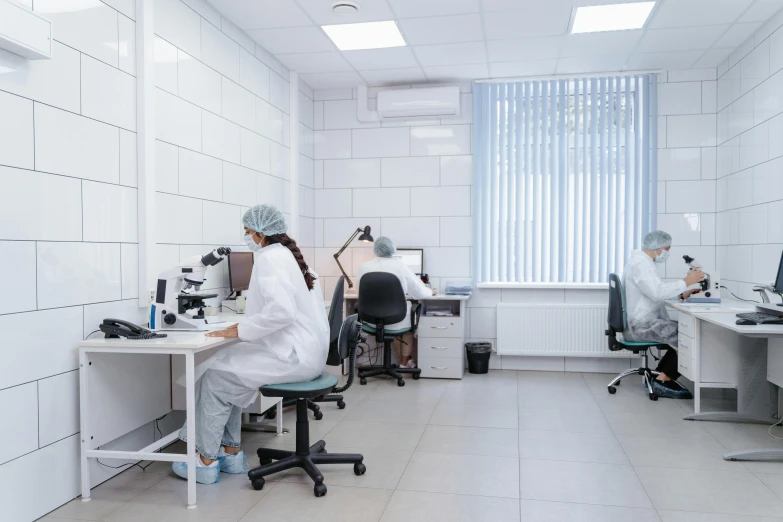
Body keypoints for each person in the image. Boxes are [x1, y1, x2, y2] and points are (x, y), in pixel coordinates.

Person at [172, 204, 329, 484]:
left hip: (293, 357)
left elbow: (282, 312)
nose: (246, 237)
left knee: (216, 377)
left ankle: (206, 461)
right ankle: (230, 453)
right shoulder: (290, 257)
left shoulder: (270, 258)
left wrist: (239, 330)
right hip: (308, 354)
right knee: (226, 368)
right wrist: (241, 332)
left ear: (260, 233)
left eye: (247, 232)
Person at [622, 230, 705, 399]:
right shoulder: (641, 264)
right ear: (656, 247)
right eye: (667, 248)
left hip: (643, 321)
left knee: (682, 331)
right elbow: (657, 292)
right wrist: (687, 281)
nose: (667, 252)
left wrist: (682, 294)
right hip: (641, 325)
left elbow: (652, 293)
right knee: (687, 335)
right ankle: (663, 380)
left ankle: (659, 376)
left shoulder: (642, 262)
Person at [357, 237, 434, 368]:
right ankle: (404, 364)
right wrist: (430, 291)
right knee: (406, 325)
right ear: (393, 249)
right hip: (394, 320)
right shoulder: (400, 266)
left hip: (371, 322)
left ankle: (407, 361)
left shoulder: (364, 267)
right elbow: (419, 293)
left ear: (375, 249)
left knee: (393, 319)